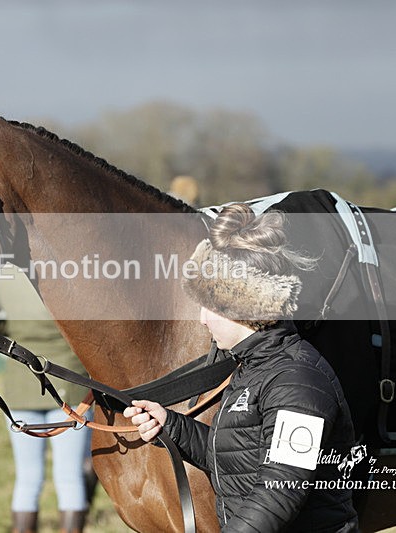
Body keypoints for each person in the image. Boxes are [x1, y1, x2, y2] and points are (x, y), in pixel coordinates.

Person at [123, 204, 359, 532]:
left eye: (211, 307)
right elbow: (239, 457)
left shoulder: (297, 381)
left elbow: (280, 490)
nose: (203, 319)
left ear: (242, 306)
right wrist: (172, 426)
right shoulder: (251, 368)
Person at [0, 265, 93, 533]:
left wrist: (10, 330)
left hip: (20, 388)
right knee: (70, 477)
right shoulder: (68, 269)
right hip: (69, 387)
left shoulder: (7, 275)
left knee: (27, 479)